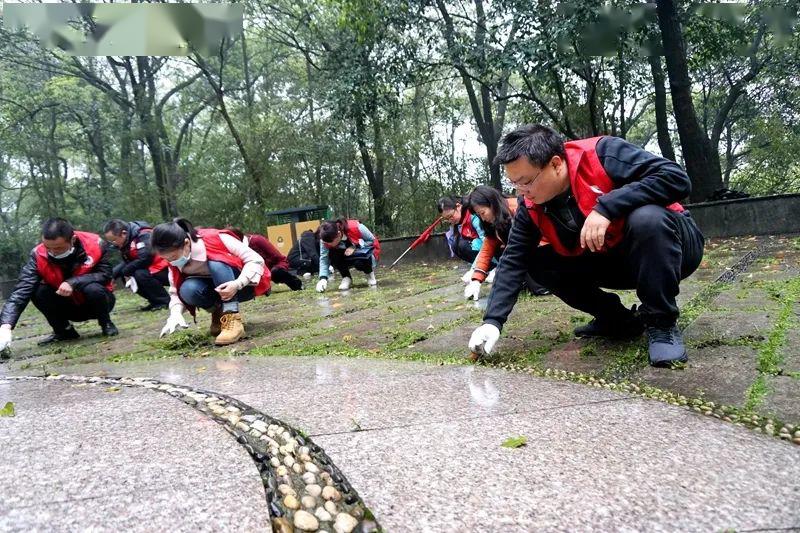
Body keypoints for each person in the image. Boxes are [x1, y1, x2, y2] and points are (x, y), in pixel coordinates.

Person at [468, 125, 704, 366]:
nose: (522, 192)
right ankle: (617, 320)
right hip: (614, 258)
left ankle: (661, 323)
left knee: (647, 219)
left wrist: (607, 207)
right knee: (538, 262)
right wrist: (492, 321)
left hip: (673, 247)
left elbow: (676, 178)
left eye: (527, 181)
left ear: (556, 164)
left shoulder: (602, 154)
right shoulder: (529, 207)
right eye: (515, 184)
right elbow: (513, 260)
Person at [0, 218, 117, 351]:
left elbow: (105, 274)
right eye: (48, 247)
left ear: (72, 240)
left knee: (93, 288)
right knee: (38, 291)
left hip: (99, 302)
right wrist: (5, 325)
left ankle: (106, 323)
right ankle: (64, 331)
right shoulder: (37, 255)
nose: (52, 252)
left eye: (58, 248)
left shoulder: (95, 244)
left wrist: (73, 282)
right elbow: (21, 290)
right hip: (68, 306)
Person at [152, 219, 270, 346]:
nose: (171, 262)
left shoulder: (216, 238)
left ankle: (232, 317)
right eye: (167, 259)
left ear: (186, 243)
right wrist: (175, 315)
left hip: (242, 286)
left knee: (217, 265)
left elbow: (255, 260)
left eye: (173, 258)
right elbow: (175, 292)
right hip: (216, 291)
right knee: (187, 289)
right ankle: (219, 313)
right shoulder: (173, 262)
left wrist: (238, 284)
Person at [463, 186, 550, 300]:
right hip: (523, 255)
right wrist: (476, 279)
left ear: (492, 204)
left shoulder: (518, 208)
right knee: (501, 251)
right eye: (479, 215)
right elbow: (487, 250)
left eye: (483, 213)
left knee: (540, 288)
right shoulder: (493, 223)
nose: (482, 219)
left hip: (543, 251)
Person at [102, 219, 171, 311]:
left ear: (124, 233)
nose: (113, 243)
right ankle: (155, 301)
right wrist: (112, 276)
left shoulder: (144, 235)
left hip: (167, 270)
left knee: (139, 274)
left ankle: (164, 301)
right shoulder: (127, 241)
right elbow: (128, 262)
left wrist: (125, 272)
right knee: (128, 276)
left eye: (114, 240)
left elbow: (145, 258)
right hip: (153, 269)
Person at [315, 218, 380, 292]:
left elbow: (372, 241)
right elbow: (324, 258)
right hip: (343, 256)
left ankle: (369, 274)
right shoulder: (325, 239)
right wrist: (323, 278)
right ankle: (346, 277)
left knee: (359, 263)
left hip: (362, 255)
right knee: (332, 254)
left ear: (339, 234)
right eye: (325, 242)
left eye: (330, 242)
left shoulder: (356, 227)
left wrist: (355, 246)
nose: (327, 244)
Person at [228, 228, 303, 291]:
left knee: (277, 272)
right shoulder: (233, 249)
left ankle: (297, 285)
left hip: (273, 267)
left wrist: (273, 270)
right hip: (256, 272)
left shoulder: (257, 240)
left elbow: (279, 258)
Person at [436, 196, 487, 283]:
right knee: (455, 245)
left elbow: (486, 242)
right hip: (481, 255)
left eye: (450, 216)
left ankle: (489, 268)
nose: (450, 220)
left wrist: (474, 269)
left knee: (464, 245)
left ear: (458, 206)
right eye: (447, 219)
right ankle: (485, 269)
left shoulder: (473, 215)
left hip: (491, 252)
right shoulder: (458, 222)